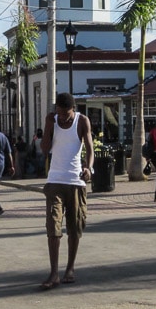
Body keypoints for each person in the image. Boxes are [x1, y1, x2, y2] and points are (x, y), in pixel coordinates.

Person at [39, 93, 94, 290]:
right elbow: (45, 149)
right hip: (54, 181)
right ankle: (54, 273)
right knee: (53, 227)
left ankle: (70, 268)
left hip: (76, 181)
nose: (63, 117)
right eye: (59, 114)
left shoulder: (82, 121)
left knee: (75, 227)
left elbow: (89, 148)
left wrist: (88, 168)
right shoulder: (52, 121)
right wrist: (48, 126)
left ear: (74, 110)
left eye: (66, 114)